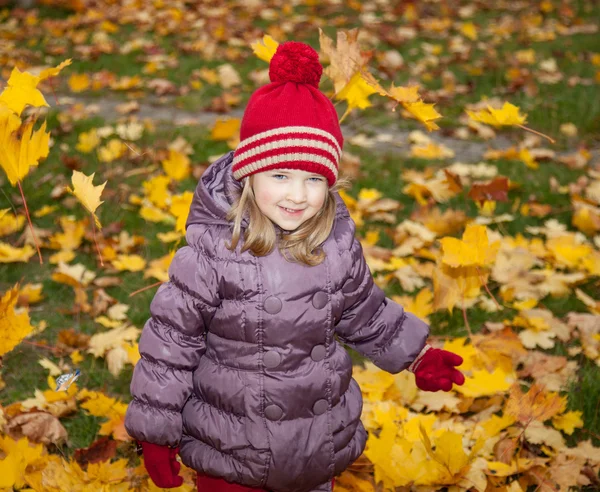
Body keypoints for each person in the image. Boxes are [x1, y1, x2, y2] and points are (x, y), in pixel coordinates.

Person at [124, 41, 465, 492]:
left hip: (314, 443)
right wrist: (155, 432)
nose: (298, 195)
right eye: (280, 176)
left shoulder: (336, 242)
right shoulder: (213, 249)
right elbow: (171, 344)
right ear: (249, 174)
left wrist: (417, 355)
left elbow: (366, 312)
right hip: (234, 445)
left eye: (314, 179)